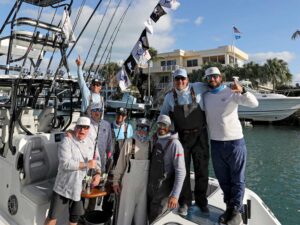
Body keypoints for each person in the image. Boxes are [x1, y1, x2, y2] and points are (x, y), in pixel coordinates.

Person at [203, 67, 259, 225]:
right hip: (215, 143)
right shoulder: (205, 96)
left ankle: (236, 211)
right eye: (209, 77)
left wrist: (243, 90)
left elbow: (254, 103)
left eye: (215, 76)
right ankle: (229, 207)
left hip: (235, 142)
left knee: (237, 179)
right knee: (223, 179)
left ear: (220, 77)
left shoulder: (231, 92)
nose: (212, 79)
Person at [160, 68, 209, 216]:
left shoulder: (199, 87)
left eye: (183, 79)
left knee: (202, 170)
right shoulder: (169, 97)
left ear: (188, 79)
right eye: (177, 79)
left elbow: (215, 86)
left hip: (200, 136)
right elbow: (163, 115)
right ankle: (184, 203)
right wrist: (161, 132)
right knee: (183, 170)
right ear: (174, 81)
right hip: (182, 138)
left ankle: (201, 202)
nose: (180, 82)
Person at [44, 117, 101, 225]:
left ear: (89, 129)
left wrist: (98, 174)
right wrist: (86, 165)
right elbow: (65, 164)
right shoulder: (67, 140)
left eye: (86, 127)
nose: (82, 130)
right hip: (63, 187)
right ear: (75, 127)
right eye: (79, 127)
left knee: (74, 220)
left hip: (80, 190)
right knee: (52, 217)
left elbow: (97, 161)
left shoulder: (92, 142)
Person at [148, 114, 186, 223]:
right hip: (150, 189)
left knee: (156, 221)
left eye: (164, 124)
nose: (161, 127)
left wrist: (175, 195)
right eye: (159, 124)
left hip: (162, 194)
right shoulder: (155, 139)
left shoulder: (175, 144)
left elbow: (181, 172)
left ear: (169, 126)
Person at [112, 118, 151, 225]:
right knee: (125, 215)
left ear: (149, 130)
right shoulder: (129, 142)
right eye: (139, 127)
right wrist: (116, 181)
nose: (142, 130)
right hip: (128, 186)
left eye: (145, 128)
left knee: (141, 216)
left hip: (144, 187)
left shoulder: (151, 144)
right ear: (136, 128)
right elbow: (120, 163)